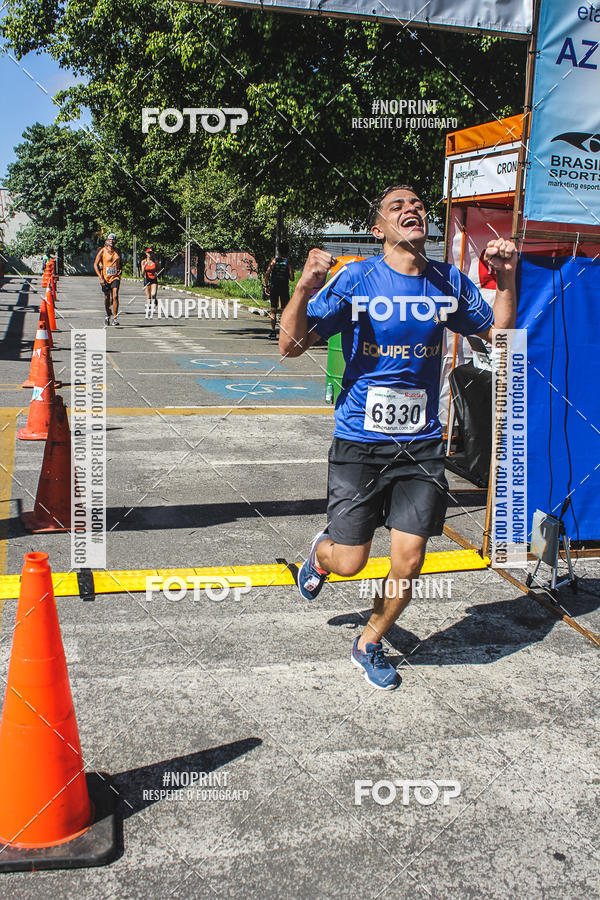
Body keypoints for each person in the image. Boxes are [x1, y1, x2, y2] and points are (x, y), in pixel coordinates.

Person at [280, 184, 517, 690]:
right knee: (351, 561)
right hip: (359, 443)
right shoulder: (357, 279)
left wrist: (508, 280)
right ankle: (322, 555)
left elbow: (499, 340)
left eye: (417, 206)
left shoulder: (446, 281)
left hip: (422, 445)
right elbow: (291, 345)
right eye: (396, 207)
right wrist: (304, 287)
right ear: (378, 228)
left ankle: (368, 641)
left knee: (407, 561)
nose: (411, 211)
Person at [264, 243, 294, 340]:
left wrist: (266, 285)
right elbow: (292, 278)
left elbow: (267, 273)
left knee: (273, 310)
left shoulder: (274, 261)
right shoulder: (288, 263)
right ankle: (283, 331)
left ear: (279, 251)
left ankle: (272, 331)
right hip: (284, 288)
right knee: (284, 311)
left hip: (274, 287)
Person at [94, 233, 122, 326]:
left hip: (115, 277)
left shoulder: (118, 251)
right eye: (110, 239)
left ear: (115, 241)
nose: (111, 241)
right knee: (107, 298)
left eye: (113, 239)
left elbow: (120, 263)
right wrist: (100, 277)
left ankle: (115, 317)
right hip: (105, 278)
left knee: (115, 296)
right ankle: (107, 314)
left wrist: (120, 270)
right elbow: (95, 265)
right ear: (107, 240)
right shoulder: (102, 251)